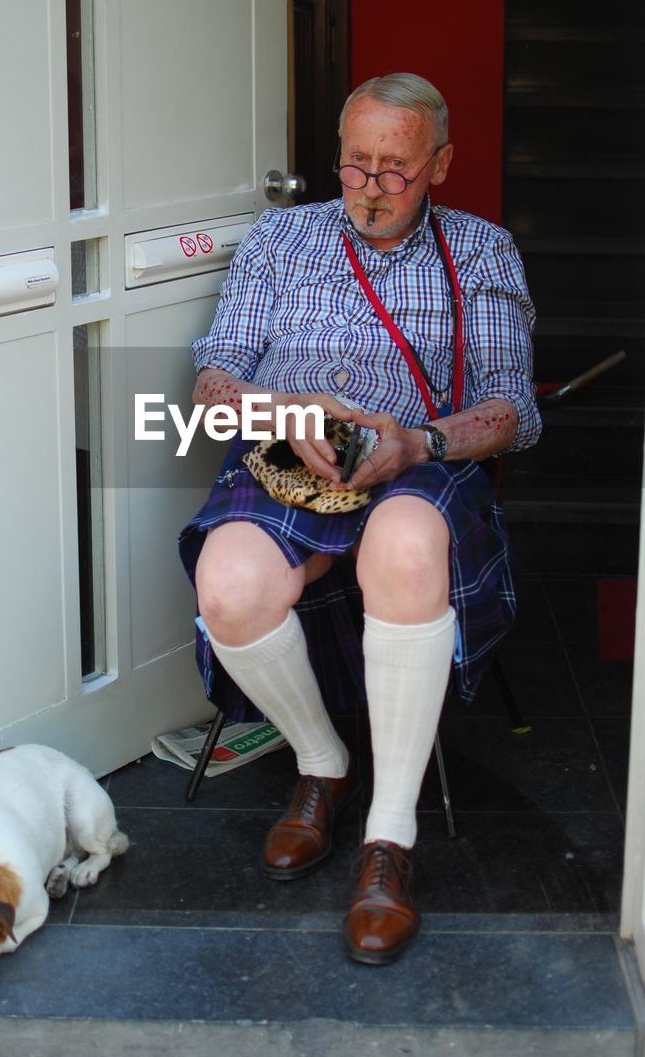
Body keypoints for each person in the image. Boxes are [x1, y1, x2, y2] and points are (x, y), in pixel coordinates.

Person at [178, 72, 541, 966]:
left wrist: (418, 442)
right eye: (354, 166)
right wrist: (283, 410)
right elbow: (213, 386)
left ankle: (388, 837)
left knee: (407, 545)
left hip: (417, 460)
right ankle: (321, 764)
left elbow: (512, 413)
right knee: (227, 584)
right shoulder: (279, 239)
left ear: (440, 165)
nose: (371, 189)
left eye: (396, 170)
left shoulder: (482, 252)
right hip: (288, 458)